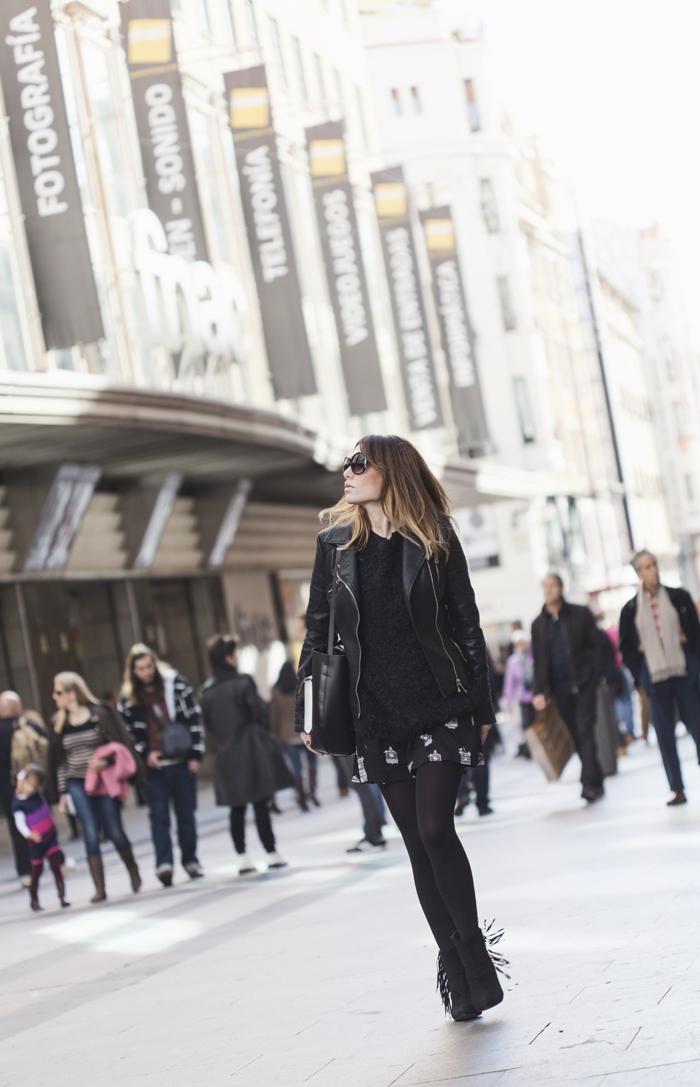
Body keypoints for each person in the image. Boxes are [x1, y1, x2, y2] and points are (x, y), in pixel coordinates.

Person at [296, 434, 506, 1022]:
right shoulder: (334, 546)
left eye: (359, 464)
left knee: (438, 829)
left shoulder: (434, 536)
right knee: (415, 843)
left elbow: (468, 624)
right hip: (377, 713)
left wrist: (482, 710)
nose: (348, 471)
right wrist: (308, 711)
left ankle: (477, 958)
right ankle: (455, 973)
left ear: (391, 471)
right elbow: (317, 633)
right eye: (346, 464)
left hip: (439, 704)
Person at [49, 673, 143, 903]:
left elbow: (118, 747)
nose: (54, 696)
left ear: (72, 693)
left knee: (114, 830)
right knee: (90, 833)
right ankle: (99, 888)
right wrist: (62, 793)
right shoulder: (60, 723)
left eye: (58, 692)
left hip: (102, 781)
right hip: (76, 783)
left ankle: (132, 869)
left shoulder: (99, 715)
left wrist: (106, 763)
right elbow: (60, 762)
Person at [200, 635, 288, 875]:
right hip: (251, 748)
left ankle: (242, 857)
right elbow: (260, 713)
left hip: (225, 753)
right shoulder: (243, 683)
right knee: (260, 803)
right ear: (228, 657)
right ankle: (271, 852)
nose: (237, 657)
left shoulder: (207, 691)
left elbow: (208, 726)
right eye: (234, 653)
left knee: (236, 808)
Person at [118, 645, 205, 886]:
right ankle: (163, 864)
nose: (146, 672)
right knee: (159, 817)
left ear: (155, 664)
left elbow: (195, 718)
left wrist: (195, 754)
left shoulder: (177, 686)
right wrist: (144, 754)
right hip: (154, 769)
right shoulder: (128, 699)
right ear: (133, 671)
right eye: (140, 668)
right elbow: (127, 735)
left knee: (186, 814)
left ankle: (190, 860)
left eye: (148, 666)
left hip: (181, 761)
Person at [619, 550, 700, 806]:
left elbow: (696, 635)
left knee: (698, 725)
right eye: (645, 567)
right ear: (638, 573)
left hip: (684, 672)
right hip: (654, 677)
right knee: (664, 734)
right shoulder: (630, 609)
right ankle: (676, 788)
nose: (652, 570)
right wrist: (639, 676)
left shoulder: (679, 597)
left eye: (654, 564)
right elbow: (627, 649)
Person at [531, 574, 605, 802]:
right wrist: (540, 691)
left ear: (561, 587)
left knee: (585, 731)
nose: (549, 590)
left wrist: (595, 676)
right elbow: (539, 661)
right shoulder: (538, 625)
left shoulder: (580, 614)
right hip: (559, 689)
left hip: (584, 684)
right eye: (545, 586)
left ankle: (589, 783)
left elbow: (597, 646)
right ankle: (597, 778)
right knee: (575, 735)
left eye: (552, 585)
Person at [0, 690, 48, 887]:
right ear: (17, 708)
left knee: (17, 827)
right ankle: (54, 859)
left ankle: (25, 871)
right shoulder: (26, 724)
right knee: (41, 821)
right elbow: (46, 742)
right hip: (31, 783)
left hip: (7, 787)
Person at [12, 767, 69, 911]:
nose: (30, 788)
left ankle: (62, 897)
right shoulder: (18, 804)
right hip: (36, 842)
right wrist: (29, 834)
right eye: (28, 784)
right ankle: (34, 899)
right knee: (37, 870)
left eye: (34, 786)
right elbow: (20, 824)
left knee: (56, 867)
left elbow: (30, 771)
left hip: (50, 836)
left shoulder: (38, 795)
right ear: (21, 782)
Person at [269, 660, 317, 812]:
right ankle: (312, 793)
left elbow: (274, 716)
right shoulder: (300, 685)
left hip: (287, 735)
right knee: (311, 763)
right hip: (305, 732)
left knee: (296, 768)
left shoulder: (276, 691)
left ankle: (301, 797)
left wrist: (275, 734)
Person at [502, 634, 534, 759]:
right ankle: (528, 749)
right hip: (522, 698)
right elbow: (509, 683)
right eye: (519, 644)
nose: (522, 646)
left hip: (535, 697)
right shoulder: (513, 661)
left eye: (523, 643)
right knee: (525, 725)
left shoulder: (533, 657)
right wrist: (508, 701)